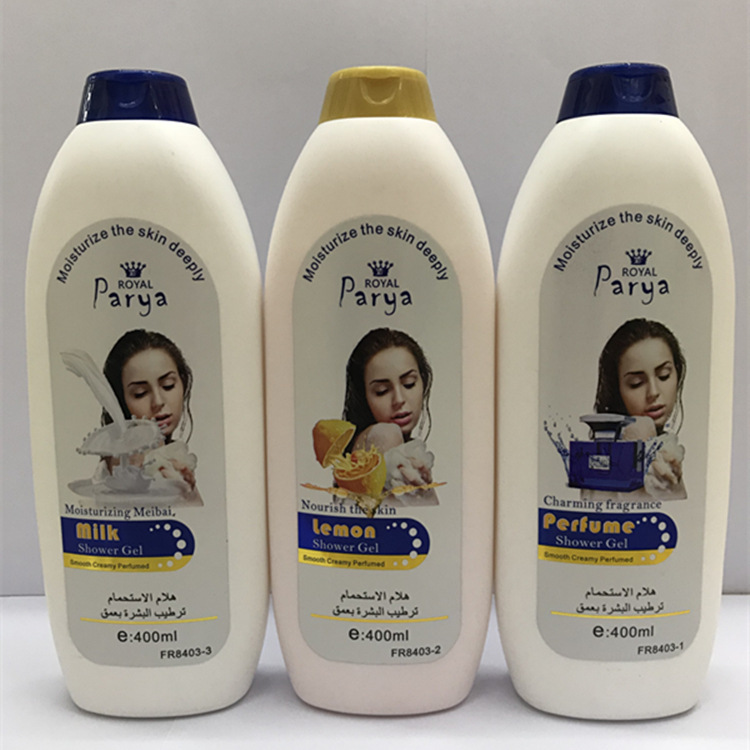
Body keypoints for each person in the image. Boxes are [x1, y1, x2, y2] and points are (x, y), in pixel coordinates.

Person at [594, 318, 686, 498]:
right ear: (616, 389)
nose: (653, 392)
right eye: (636, 383)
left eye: (664, 375)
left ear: (677, 373)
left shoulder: (667, 452)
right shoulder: (605, 463)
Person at [343, 328, 436, 500]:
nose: (399, 399)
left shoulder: (366, 443)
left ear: (423, 381)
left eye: (409, 384)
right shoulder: (385, 435)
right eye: (382, 391)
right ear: (363, 397)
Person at [101, 329, 197, 491]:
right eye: (140, 393)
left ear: (183, 382)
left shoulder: (171, 454)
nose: (158, 402)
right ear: (119, 401)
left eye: (168, 385)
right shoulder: (124, 463)